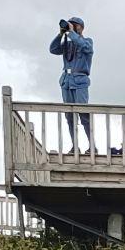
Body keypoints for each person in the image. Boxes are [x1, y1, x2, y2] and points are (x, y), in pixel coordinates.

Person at [49, 17, 93, 151]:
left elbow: (83, 46)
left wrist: (72, 33)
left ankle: (92, 146)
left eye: (75, 25)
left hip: (80, 81)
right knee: (69, 116)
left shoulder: (87, 42)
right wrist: (61, 33)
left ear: (81, 27)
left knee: (84, 114)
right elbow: (53, 49)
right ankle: (75, 146)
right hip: (67, 81)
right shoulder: (68, 44)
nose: (72, 27)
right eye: (71, 25)